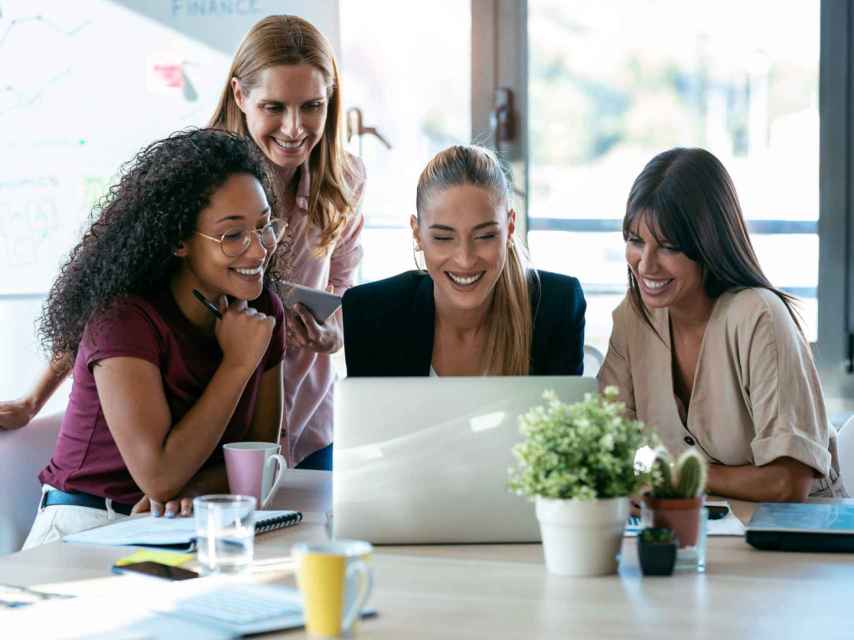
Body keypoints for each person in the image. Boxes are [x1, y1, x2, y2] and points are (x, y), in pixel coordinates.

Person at [1, 16, 365, 472]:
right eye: (274, 107)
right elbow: (102, 280)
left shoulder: (345, 181)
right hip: (211, 427)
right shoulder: (192, 176)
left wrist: (332, 336)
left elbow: (344, 292)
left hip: (306, 422)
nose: (295, 129)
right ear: (240, 96)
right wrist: (34, 400)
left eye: (312, 106)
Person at [23, 128, 287, 548]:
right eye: (233, 235)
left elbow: (258, 457)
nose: (259, 251)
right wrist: (238, 365)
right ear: (179, 240)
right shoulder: (123, 319)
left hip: (184, 519)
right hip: (86, 524)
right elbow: (159, 475)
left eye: (264, 226)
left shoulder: (262, 310)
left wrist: (193, 489)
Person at [598, 147, 845, 502]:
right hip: (692, 535)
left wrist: (676, 474)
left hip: (793, 544)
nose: (646, 265)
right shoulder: (633, 317)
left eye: (668, 247)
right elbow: (609, 450)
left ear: (708, 244)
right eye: (636, 241)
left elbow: (788, 483)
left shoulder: (758, 316)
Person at [342, 144, 585, 376]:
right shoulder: (371, 315)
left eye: (485, 236)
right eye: (443, 237)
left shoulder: (557, 308)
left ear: (510, 228)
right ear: (417, 233)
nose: (465, 260)